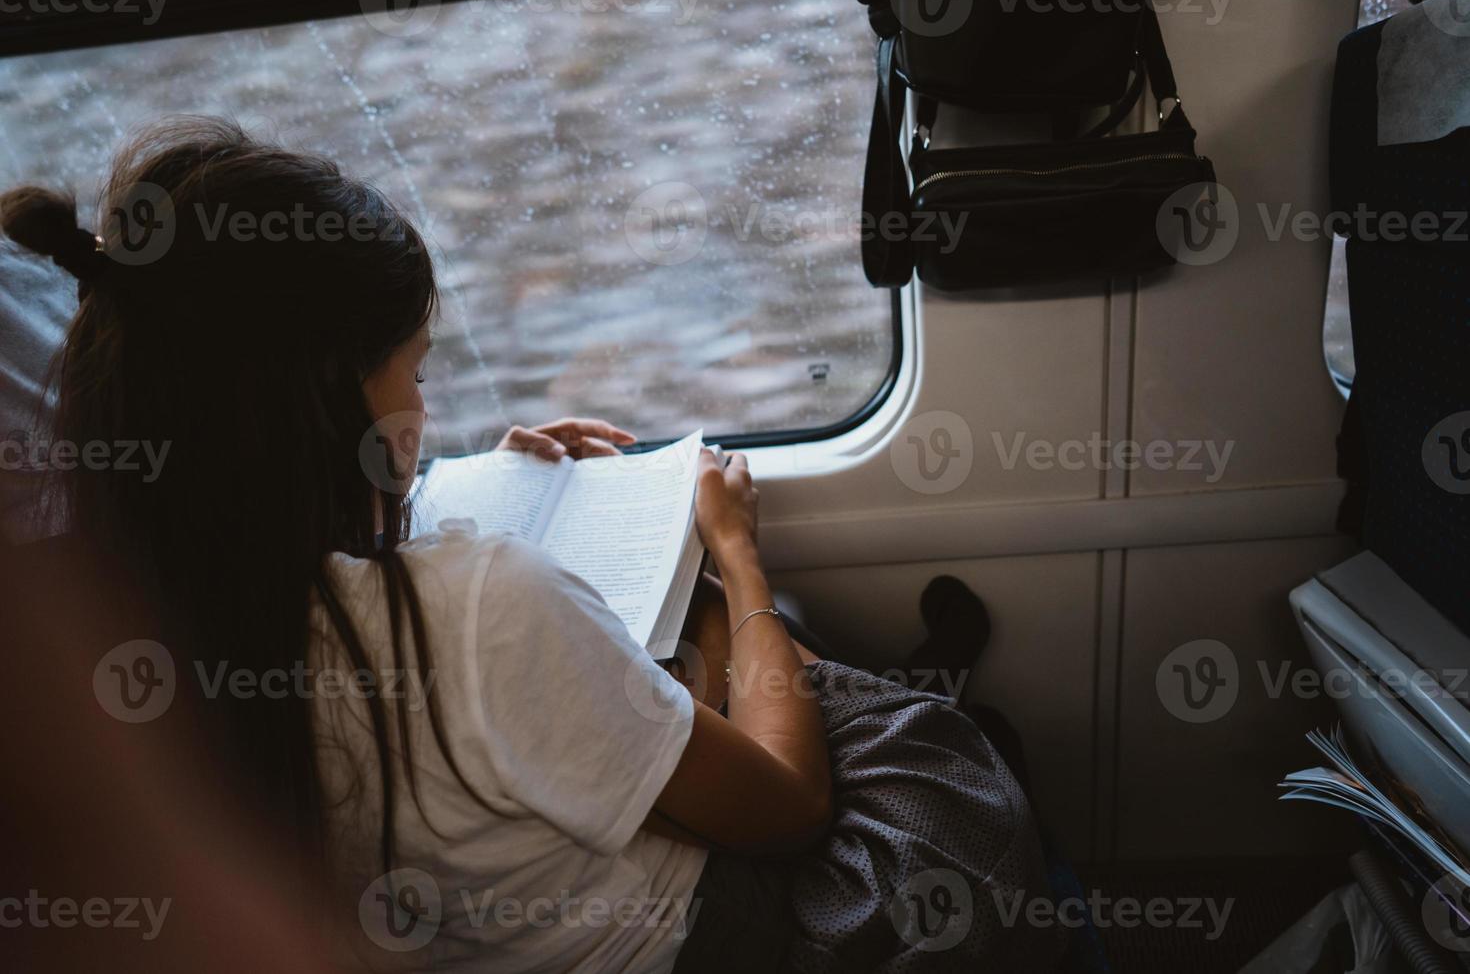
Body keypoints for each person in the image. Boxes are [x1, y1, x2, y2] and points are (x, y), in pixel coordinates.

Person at [2, 117, 1062, 973]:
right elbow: (788, 809)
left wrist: (456, 478)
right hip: (702, 933)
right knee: (939, 757)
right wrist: (731, 560)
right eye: (413, 374)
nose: (426, 402)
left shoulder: (103, 628)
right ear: (325, 409)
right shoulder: (477, 605)